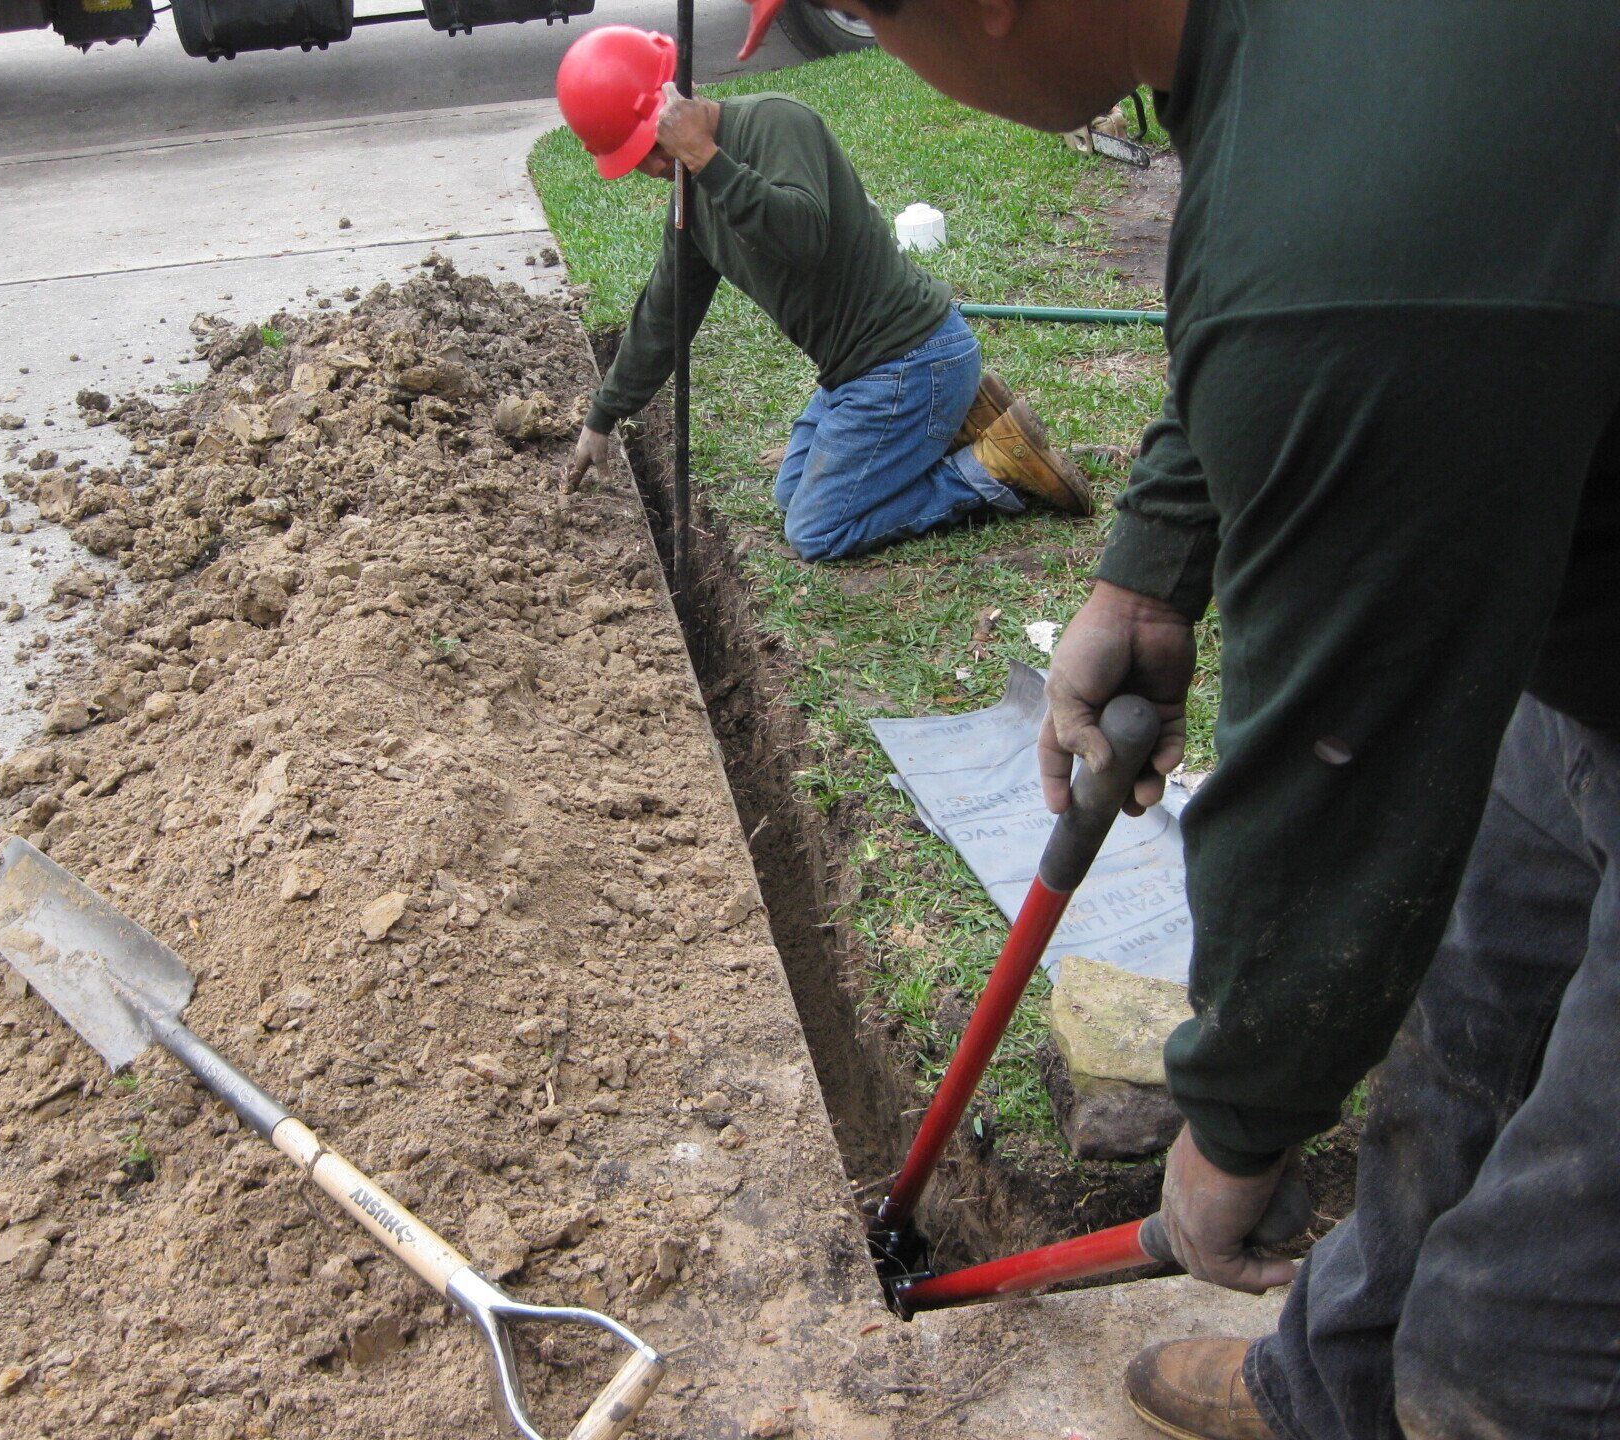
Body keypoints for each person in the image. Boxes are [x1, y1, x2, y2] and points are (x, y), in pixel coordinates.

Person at [725, 0, 1620, 1435]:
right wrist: (1150, 567)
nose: (905, 64)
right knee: (1462, 1044)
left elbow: (1332, 766)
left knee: (1524, 1345)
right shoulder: (1285, 64)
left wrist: (1236, 1125)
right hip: (1583, 678)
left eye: (883, 21)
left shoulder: (1354, 239)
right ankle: (1326, 1391)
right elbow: (1284, 281)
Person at [555, 24, 1090, 563]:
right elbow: (666, 310)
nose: (654, 167)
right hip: (858, 376)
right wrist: (604, 414)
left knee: (816, 529)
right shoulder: (692, 192)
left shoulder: (775, 123)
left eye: (652, 143)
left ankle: (991, 468)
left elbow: (803, 238)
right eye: (636, 161)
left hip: (908, 359)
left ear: (678, 98)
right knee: (790, 496)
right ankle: (949, 422)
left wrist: (707, 159)